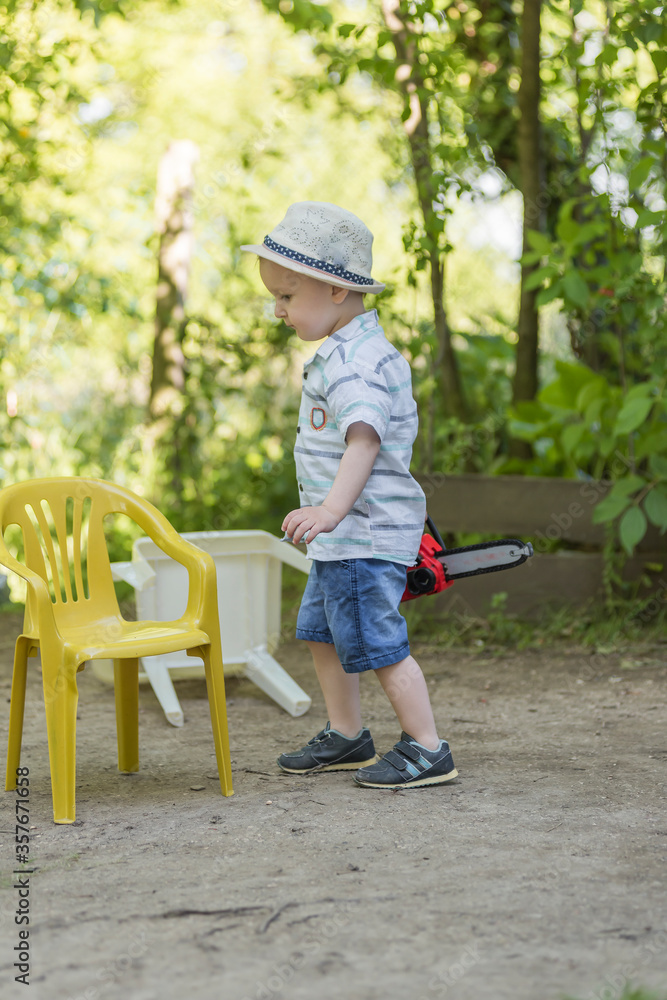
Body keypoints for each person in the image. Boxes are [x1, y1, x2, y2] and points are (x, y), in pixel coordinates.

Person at [241, 201, 457, 789]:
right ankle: (348, 734)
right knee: (324, 633)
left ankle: (428, 746)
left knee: (376, 643)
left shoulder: (356, 362)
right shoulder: (344, 350)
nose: (277, 310)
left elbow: (363, 441)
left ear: (336, 290)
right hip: (341, 537)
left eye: (286, 296)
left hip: (359, 532)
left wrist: (330, 509)